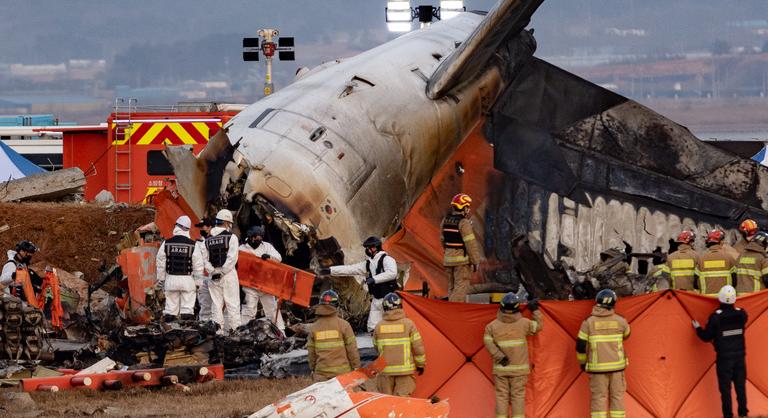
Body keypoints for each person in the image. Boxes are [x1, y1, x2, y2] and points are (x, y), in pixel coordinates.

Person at [484, 293, 543, 418]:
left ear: (500, 307)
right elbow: (538, 326)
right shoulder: (524, 323)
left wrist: (500, 357)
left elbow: (488, 343)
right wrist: (535, 310)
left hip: (501, 369)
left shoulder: (491, 326)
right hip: (519, 370)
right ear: (517, 308)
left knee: (501, 397)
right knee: (518, 397)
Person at [692, 285, 748, 418]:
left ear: (720, 299)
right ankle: (743, 414)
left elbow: (706, 337)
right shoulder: (742, 314)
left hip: (724, 359)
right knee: (740, 387)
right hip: (740, 357)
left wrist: (698, 328)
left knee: (725, 389)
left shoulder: (716, 317)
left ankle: (728, 416)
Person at [321, 236, 397, 332]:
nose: (367, 250)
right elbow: (351, 269)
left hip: (388, 299)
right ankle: (376, 343)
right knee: (372, 326)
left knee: (392, 324)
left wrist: (374, 279)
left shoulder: (387, 259)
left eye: (368, 248)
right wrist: (330, 270)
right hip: (376, 298)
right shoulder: (369, 264)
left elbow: (392, 273)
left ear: (374, 248)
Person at [577, 289, 630, 418]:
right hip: (617, 368)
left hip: (597, 369)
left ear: (597, 302)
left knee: (598, 399)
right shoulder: (621, 321)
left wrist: (583, 363)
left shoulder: (588, 322)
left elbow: (580, 345)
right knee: (617, 397)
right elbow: (627, 335)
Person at [372, 292, 426, 397]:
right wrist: (420, 364)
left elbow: (376, 346)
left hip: (385, 372)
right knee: (402, 402)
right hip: (404, 372)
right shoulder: (409, 324)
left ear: (384, 308)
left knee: (388, 402)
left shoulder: (379, 326)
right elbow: (418, 347)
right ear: (400, 306)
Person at [155, 216, 204, 322]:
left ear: (177, 226)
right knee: (187, 310)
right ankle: (187, 333)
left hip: (171, 280)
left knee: (170, 310)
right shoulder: (193, 245)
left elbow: (160, 262)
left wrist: (161, 279)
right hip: (187, 281)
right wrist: (198, 283)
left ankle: (170, 333)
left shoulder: (167, 243)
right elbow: (198, 266)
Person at [200, 209, 241, 333]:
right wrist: (223, 272)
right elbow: (232, 258)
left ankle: (218, 333)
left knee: (216, 305)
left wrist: (213, 271)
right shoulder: (232, 237)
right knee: (232, 304)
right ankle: (235, 332)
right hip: (228, 275)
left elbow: (204, 259)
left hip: (213, 277)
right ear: (226, 223)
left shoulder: (206, 240)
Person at [307, 290, 360, 381]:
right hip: (343, 375)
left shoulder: (314, 327)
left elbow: (311, 353)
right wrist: (356, 366)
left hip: (321, 375)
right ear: (336, 306)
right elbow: (352, 349)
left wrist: (312, 368)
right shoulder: (344, 325)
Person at [239, 225, 285, 332]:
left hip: (266, 284)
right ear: (250, 237)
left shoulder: (267, 246)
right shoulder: (241, 249)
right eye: (255, 237)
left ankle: (281, 332)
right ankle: (245, 333)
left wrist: (269, 257)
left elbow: (279, 258)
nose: (257, 240)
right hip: (249, 285)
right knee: (249, 310)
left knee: (272, 310)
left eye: (260, 238)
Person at [441, 193, 483, 302]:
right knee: (460, 288)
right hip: (462, 263)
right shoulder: (464, 223)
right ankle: (454, 311)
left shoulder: (445, 221)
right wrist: (475, 261)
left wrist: (448, 253)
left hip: (448, 260)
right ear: (463, 207)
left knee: (452, 287)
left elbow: (442, 239)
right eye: (467, 206)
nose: (468, 209)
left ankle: (451, 308)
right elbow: (471, 244)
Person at [698, 229, 737, 297]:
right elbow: (735, 280)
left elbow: (695, 281)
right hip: (725, 297)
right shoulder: (729, 257)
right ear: (721, 242)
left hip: (706, 298)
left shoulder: (701, 259)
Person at [734, 230, 768, 295]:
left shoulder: (741, 256)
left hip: (740, 297)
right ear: (764, 244)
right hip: (755, 297)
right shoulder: (763, 259)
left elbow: (734, 277)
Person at [194, 218, 214, 322]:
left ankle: (218, 328)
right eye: (200, 227)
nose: (201, 229)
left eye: (203, 226)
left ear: (210, 227)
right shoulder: (197, 243)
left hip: (215, 276)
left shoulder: (216, 240)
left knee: (217, 305)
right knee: (204, 305)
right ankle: (204, 327)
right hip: (202, 277)